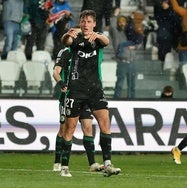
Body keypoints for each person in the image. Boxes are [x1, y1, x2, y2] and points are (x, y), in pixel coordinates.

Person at [60, 10, 121, 177]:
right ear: (80, 22)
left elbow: (106, 41)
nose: (85, 24)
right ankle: (64, 166)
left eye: (89, 21)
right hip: (76, 89)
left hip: (94, 89)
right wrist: (68, 34)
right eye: (83, 21)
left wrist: (98, 36)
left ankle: (107, 162)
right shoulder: (74, 37)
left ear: (94, 23)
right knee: (70, 128)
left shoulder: (98, 39)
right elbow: (66, 41)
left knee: (105, 123)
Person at [52, 47, 104, 173]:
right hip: (68, 96)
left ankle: (92, 163)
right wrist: (61, 84)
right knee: (64, 129)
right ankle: (58, 161)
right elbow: (56, 72)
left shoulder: (88, 50)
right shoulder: (65, 52)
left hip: (85, 96)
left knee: (88, 127)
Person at [109, 15, 137, 99]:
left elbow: (138, 41)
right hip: (122, 62)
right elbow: (112, 27)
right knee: (120, 84)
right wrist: (114, 15)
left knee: (132, 85)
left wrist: (135, 47)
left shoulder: (131, 33)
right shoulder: (116, 32)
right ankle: (116, 100)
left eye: (123, 22)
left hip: (132, 61)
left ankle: (132, 100)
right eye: (120, 22)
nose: (122, 24)